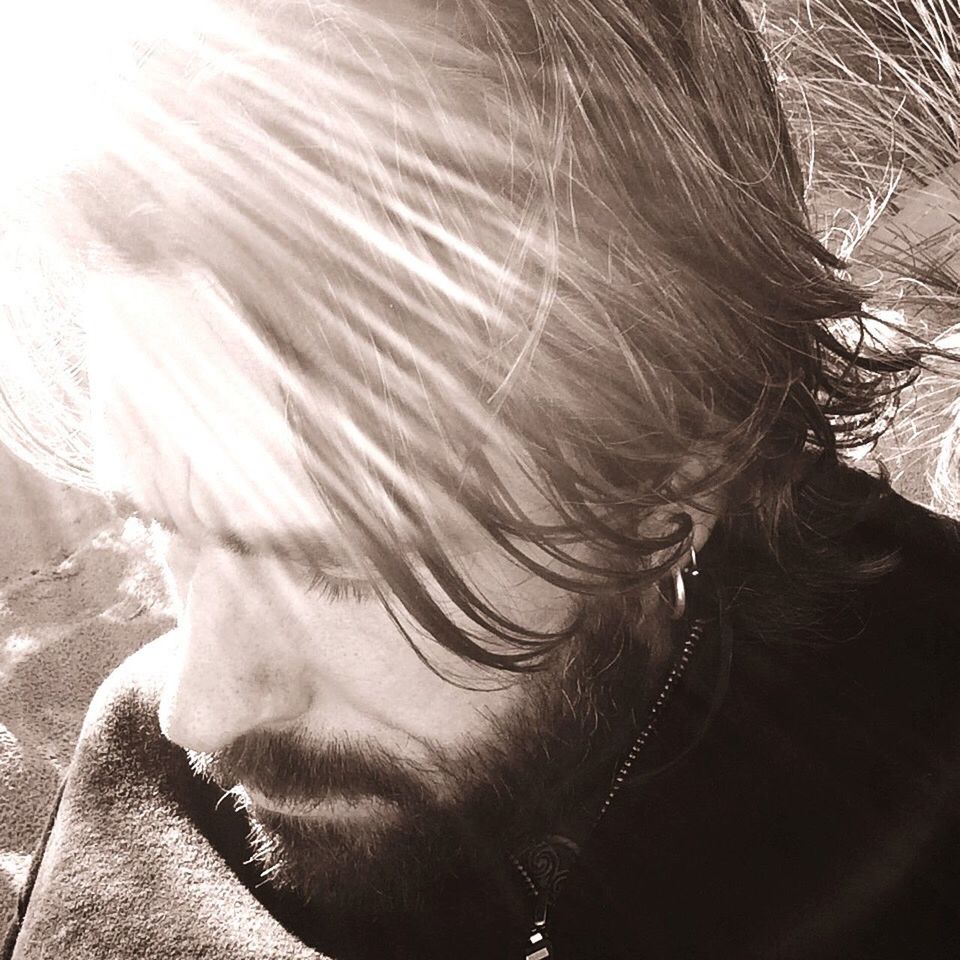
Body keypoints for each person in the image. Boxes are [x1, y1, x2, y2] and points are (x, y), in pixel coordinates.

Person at [3, 1, 960, 958]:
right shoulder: (141, 781)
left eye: (338, 556)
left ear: (686, 467)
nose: (194, 711)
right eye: (160, 527)